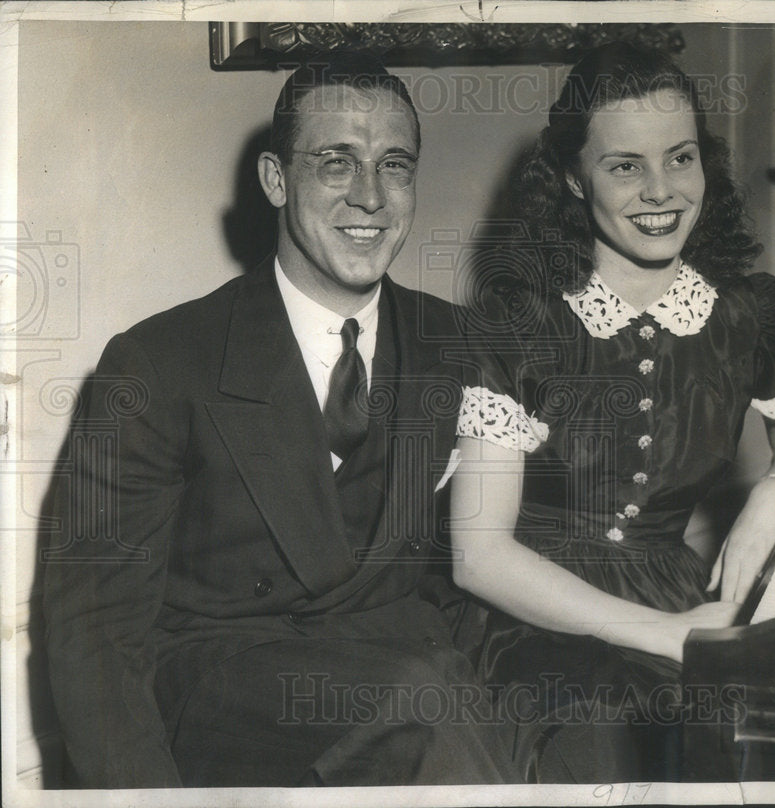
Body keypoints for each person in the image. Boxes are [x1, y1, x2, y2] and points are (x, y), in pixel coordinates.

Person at [42, 52, 518, 788]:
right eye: (337, 163)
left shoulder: (459, 343)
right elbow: (96, 631)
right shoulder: (158, 362)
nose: (370, 197)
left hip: (413, 671)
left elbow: (501, 552)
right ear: (275, 179)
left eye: (394, 166)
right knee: (425, 703)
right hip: (230, 685)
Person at [451, 43, 775, 782]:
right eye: (625, 166)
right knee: (612, 740)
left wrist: (774, 494)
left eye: (680, 158)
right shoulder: (523, 323)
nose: (661, 191)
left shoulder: (747, 312)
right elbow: (479, 556)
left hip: (677, 590)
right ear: (574, 178)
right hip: (535, 620)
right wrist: (665, 634)